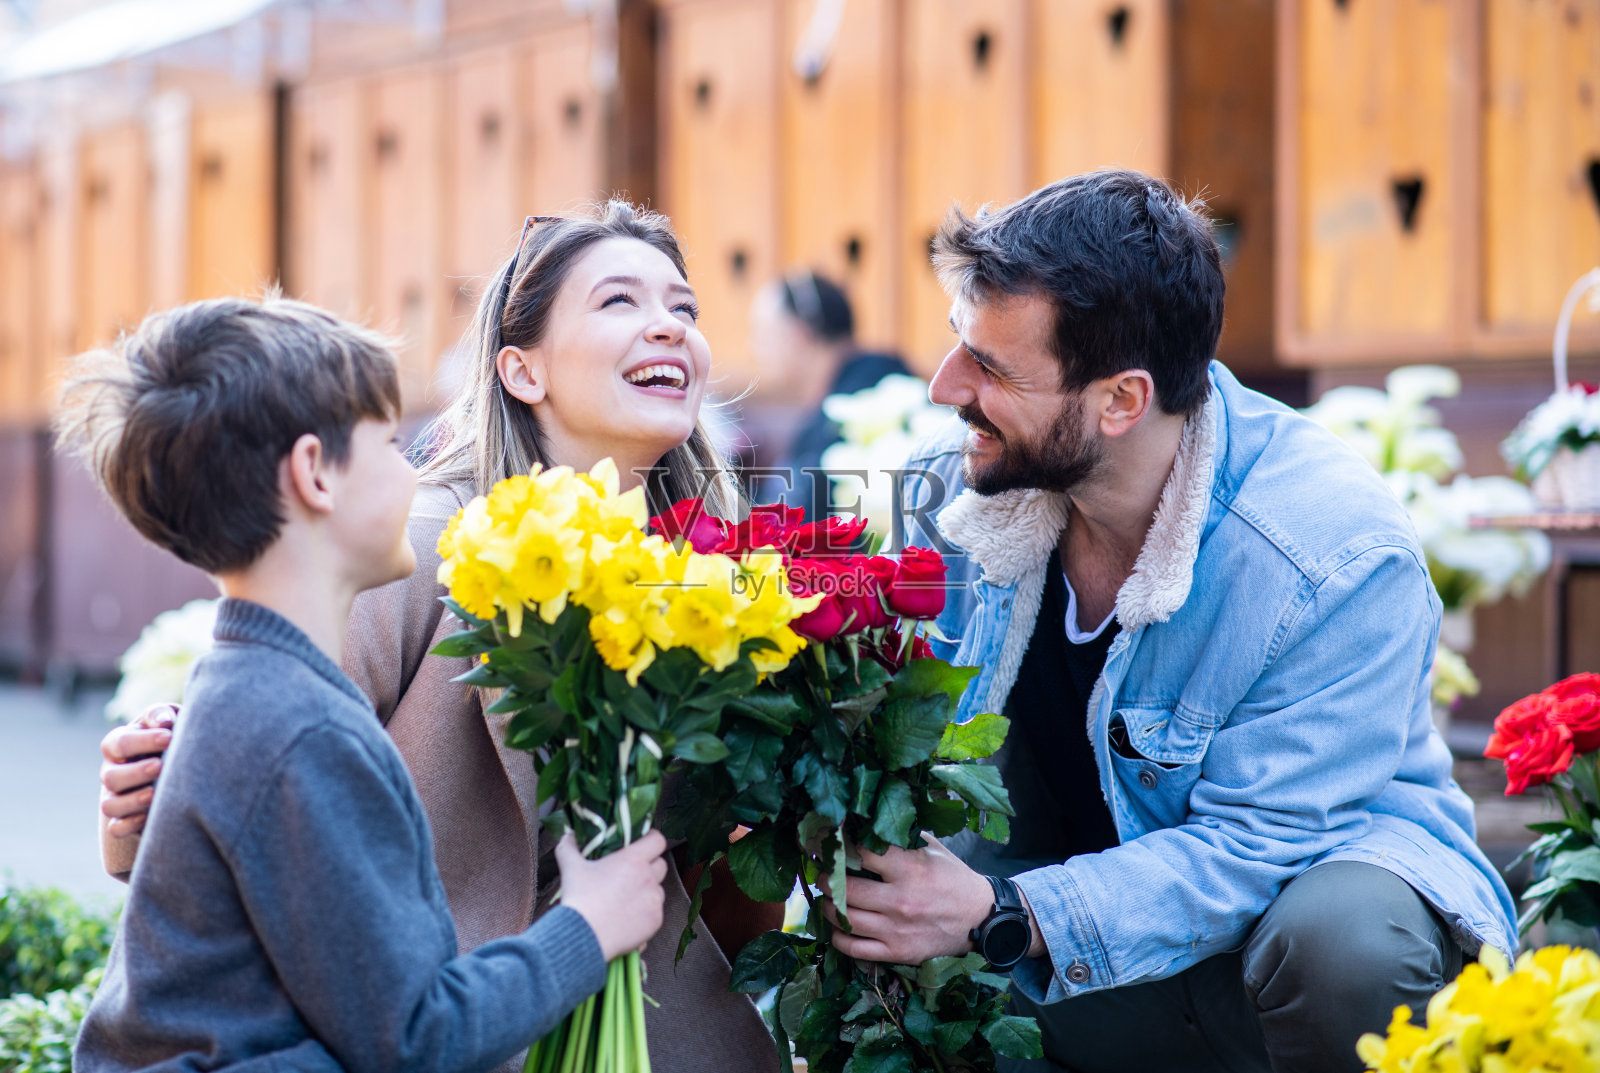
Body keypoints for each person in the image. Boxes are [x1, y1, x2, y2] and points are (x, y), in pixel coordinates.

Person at [825, 170, 1517, 1073]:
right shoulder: (955, 488)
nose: (942, 386)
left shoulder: (1330, 552)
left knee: (1345, 940)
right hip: (1070, 959)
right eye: (960, 342)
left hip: (1267, 953)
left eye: (991, 367)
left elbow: (1256, 847)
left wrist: (1006, 914)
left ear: (1121, 400)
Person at [94, 202, 780, 1071]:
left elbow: (728, 867)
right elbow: (254, 766)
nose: (670, 327)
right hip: (449, 1023)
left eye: (684, 307)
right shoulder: (418, 543)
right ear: (521, 370)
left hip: (650, 1030)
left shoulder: (711, 575)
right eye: (620, 301)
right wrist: (143, 796)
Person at [747, 270, 908, 522]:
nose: (756, 349)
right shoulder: (872, 388)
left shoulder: (860, 413)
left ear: (798, 335)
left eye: (763, 335)